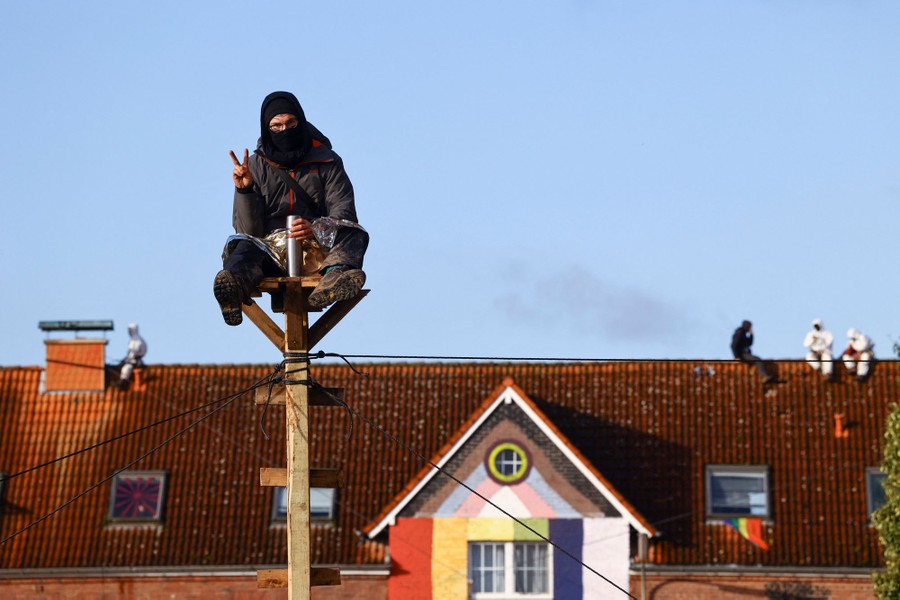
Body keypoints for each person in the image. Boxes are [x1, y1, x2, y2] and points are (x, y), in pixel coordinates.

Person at [213, 91, 369, 325]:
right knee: (242, 246)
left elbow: (344, 212)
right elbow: (248, 230)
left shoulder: (327, 161)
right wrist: (245, 190)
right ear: (266, 128)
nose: (284, 130)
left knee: (355, 233)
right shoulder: (255, 165)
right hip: (272, 253)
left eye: (290, 123)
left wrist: (316, 228)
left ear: (301, 122)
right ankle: (233, 288)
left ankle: (334, 279)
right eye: (276, 126)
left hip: (320, 251)